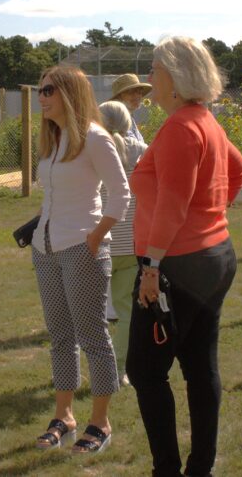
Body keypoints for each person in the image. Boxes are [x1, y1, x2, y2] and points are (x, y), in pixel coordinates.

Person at [126, 36, 242, 477]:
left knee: (144, 369)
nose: (149, 79)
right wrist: (213, 212)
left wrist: (152, 267)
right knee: (199, 365)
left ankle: (169, 469)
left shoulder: (181, 126)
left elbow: (174, 204)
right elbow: (238, 169)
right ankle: (200, 468)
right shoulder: (204, 120)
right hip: (214, 256)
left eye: (155, 70)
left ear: (174, 78)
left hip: (178, 263)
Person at [32, 66, 129, 454]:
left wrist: (96, 236)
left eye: (49, 90)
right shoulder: (54, 138)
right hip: (45, 249)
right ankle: (64, 416)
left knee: (93, 338)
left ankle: (100, 422)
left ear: (69, 92)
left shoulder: (95, 137)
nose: (41, 96)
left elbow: (121, 194)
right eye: (40, 90)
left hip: (81, 249)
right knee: (60, 338)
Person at [98, 100, 147, 382]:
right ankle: (120, 368)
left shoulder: (90, 151)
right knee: (127, 312)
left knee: (92, 314)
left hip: (98, 242)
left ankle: (95, 367)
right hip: (132, 244)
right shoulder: (143, 152)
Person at [110, 73, 152, 144]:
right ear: (119, 98)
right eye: (131, 92)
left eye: (139, 91)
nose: (137, 95)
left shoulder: (129, 119)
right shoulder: (118, 121)